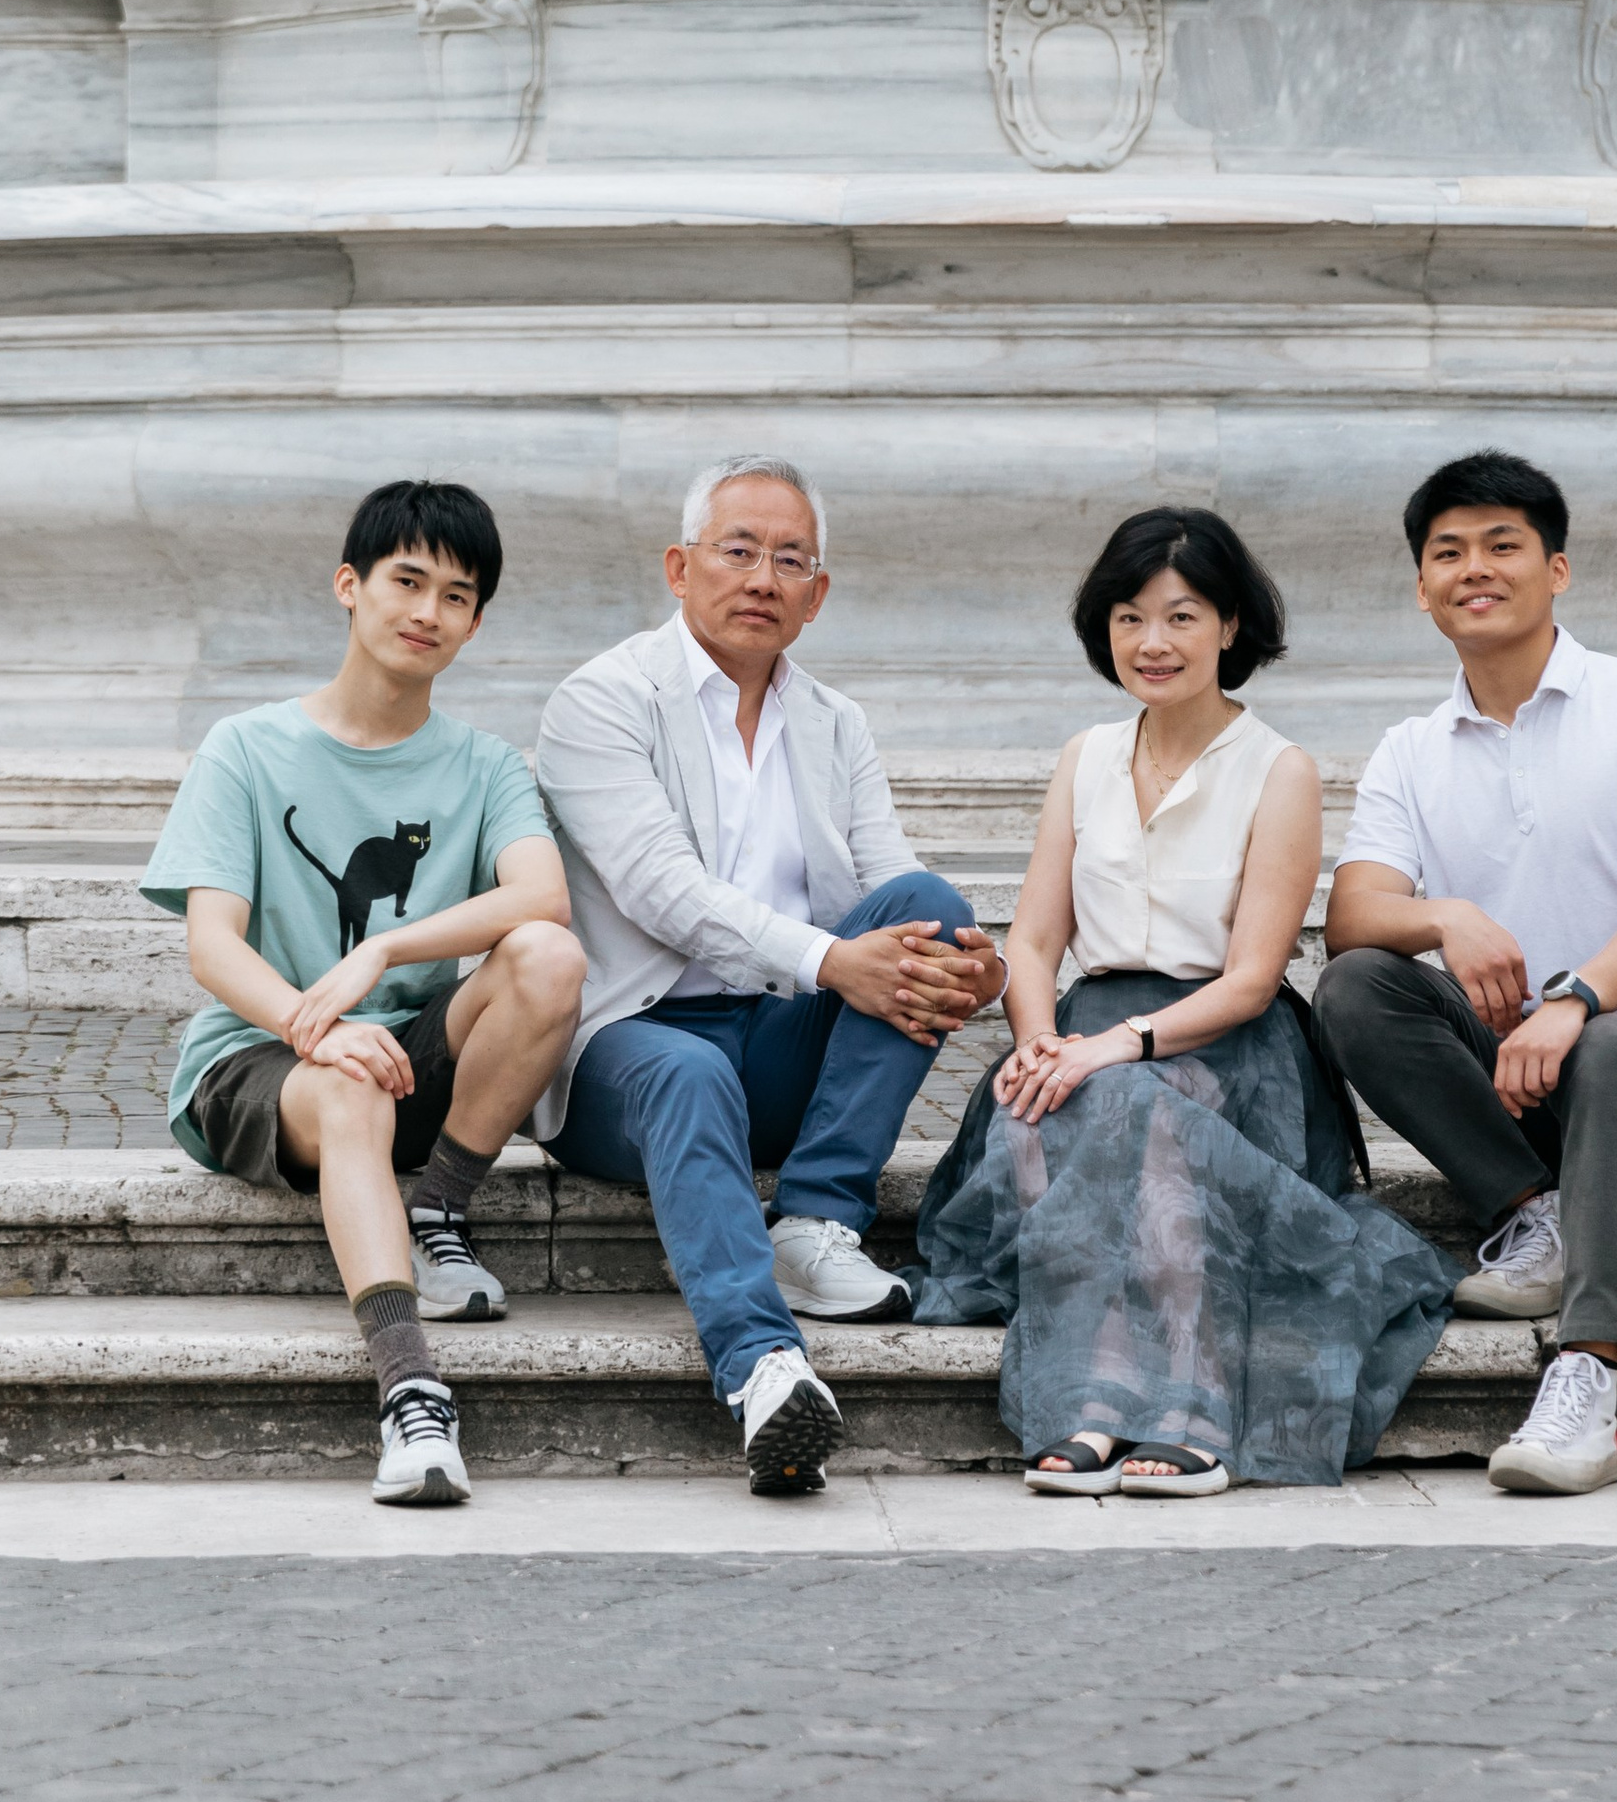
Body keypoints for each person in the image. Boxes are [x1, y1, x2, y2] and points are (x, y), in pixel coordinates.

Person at [910, 507, 1455, 1496]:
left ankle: (1175, 1408)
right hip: (1081, 1033)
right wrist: (1038, 1041)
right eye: (1129, 618)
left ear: (1230, 625)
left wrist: (1114, 1047)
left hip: (1229, 1048)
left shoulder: (1279, 770)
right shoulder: (1084, 757)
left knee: (1129, 1108)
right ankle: (1106, 1399)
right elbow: (1032, 941)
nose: (1152, 642)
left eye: (1180, 616)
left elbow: (1252, 978)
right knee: (1057, 1110)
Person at [533, 455, 1006, 1495]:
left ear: (817, 593)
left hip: (779, 1045)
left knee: (931, 906)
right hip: (628, 1048)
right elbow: (662, 889)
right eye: (737, 550)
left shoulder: (835, 722)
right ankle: (763, 1369)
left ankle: (815, 1221)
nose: (761, 578)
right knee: (688, 1070)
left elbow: (889, 882)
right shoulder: (601, 701)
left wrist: (979, 968)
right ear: (679, 567)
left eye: (790, 560)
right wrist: (832, 960)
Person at [1316, 448, 1617, 1498]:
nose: (1474, 569)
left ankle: (1588, 1376)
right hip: (1519, 1085)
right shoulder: (1412, 749)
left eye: (1502, 546)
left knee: (1611, 1047)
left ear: (1556, 569)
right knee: (1357, 986)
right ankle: (1535, 1210)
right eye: (1448, 553)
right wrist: (1443, 916)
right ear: (1422, 587)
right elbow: (1351, 919)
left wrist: (1574, 999)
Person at [140, 477, 586, 1511]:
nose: (428, 612)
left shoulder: (484, 765)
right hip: (261, 1060)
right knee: (348, 1085)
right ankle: (411, 1394)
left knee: (547, 957)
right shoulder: (246, 748)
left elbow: (542, 898)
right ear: (350, 585)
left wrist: (379, 952)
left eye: (457, 597)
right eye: (407, 581)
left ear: (476, 624)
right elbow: (213, 948)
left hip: (409, 1056)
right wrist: (316, 1026)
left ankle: (439, 1209)